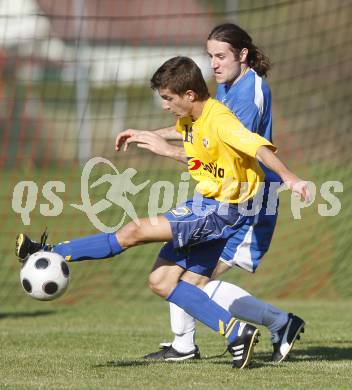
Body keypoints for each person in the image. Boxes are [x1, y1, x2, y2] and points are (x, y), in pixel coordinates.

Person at [16, 56, 310, 369]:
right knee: (162, 281)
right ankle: (237, 333)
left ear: (190, 95)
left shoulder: (220, 121)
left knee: (134, 231)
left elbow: (257, 147)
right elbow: (183, 134)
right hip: (209, 205)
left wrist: (290, 178)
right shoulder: (192, 120)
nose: (165, 105)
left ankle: (51, 252)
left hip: (222, 209)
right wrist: (145, 134)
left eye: (168, 99)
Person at [115, 23, 305, 364]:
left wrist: (168, 151)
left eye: (221, 56)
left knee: (192, 279)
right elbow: (197, 130)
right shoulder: (227, 89)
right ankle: (185, 344)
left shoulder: (250, 93)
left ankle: (279, 323)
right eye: (210, 56)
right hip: (227, 199)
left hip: (249, 203)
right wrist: (149, 134)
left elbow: (228, 152)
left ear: (242, 55)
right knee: (184, 272)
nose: (214, 64)